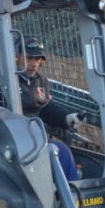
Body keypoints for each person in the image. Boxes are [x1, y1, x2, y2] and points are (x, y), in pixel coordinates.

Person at [16, 37, 83, 180]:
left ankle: (68, 192)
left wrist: (66, 118)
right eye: (29, 58)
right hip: (14, 138)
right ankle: (71, 195)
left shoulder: (41, 80)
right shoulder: (2, 80)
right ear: (17, 56)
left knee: (63, 148)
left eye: (37, 59)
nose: (34, 64)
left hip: (36, 137)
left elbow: (46, 108)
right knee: (61, 152)